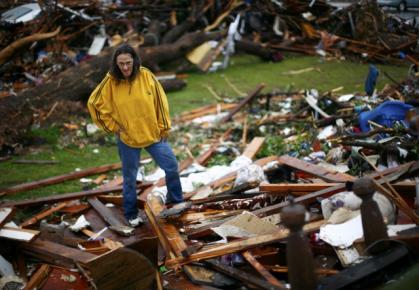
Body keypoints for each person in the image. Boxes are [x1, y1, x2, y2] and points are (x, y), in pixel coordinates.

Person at [87, 43, 183, 227]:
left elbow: (160, 102)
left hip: (152, 134)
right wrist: (112, 127)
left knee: (171, 167)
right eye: (121, 63)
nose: (125, 67)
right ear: (116, 64)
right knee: (130, 179)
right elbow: (94, 104)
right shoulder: (110, 82)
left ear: (134, 61)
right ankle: (131, 214)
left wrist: (164, 127)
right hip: (128, 139)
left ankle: (176, 202)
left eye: (128, 63)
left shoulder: (146, 75)